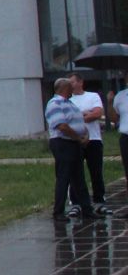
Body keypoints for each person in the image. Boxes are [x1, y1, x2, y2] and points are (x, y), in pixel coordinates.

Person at [45, 77, 96, 222]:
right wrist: (77, 138)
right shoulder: (54, 104)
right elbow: (62, 126)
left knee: (79, 178)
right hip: (62, 143)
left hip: (74, 144)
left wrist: (85, 135)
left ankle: (87, 210)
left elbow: (79, 122)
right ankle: (58, 212)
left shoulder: (71, 104)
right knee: (64, 177)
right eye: (70, 87)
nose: (72, 89)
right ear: (63, 88)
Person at [70, 75, 111, 213]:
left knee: (96, 171)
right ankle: (76, 202)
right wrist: (86, 114)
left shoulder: (92, 96)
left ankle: (99, 201)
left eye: (73, 81)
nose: (70, 84)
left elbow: (98, 113)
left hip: (93, 139)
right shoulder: (68, 100)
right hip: (76, 140)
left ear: (81, 82)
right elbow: (68, 120)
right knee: (76, 172)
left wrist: (80, 116)